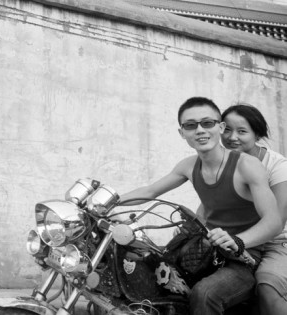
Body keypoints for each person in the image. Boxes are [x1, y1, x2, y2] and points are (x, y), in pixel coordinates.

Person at [119, 96, 281, 315]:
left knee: (204, 294)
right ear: (182, 133)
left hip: (243, 257)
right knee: (146, 272)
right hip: (202, 250)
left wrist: (239, 241)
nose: (200, 130)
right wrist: (108, 202)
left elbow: (273, 221)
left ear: (220, 127)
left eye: (207, 123)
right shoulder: (188, 166)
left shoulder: (247, 166)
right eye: (190, 125)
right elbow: (150, 191)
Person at [221, 104, 287, 315]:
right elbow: (209, 206)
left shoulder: (278, 166)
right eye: (227, 129)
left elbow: (278, 220)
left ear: (257, 134)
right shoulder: (221, 163)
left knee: (267, 288)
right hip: (239, 240)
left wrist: (237, 241)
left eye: (242, 131)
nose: (232, 137)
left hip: (277, 243)